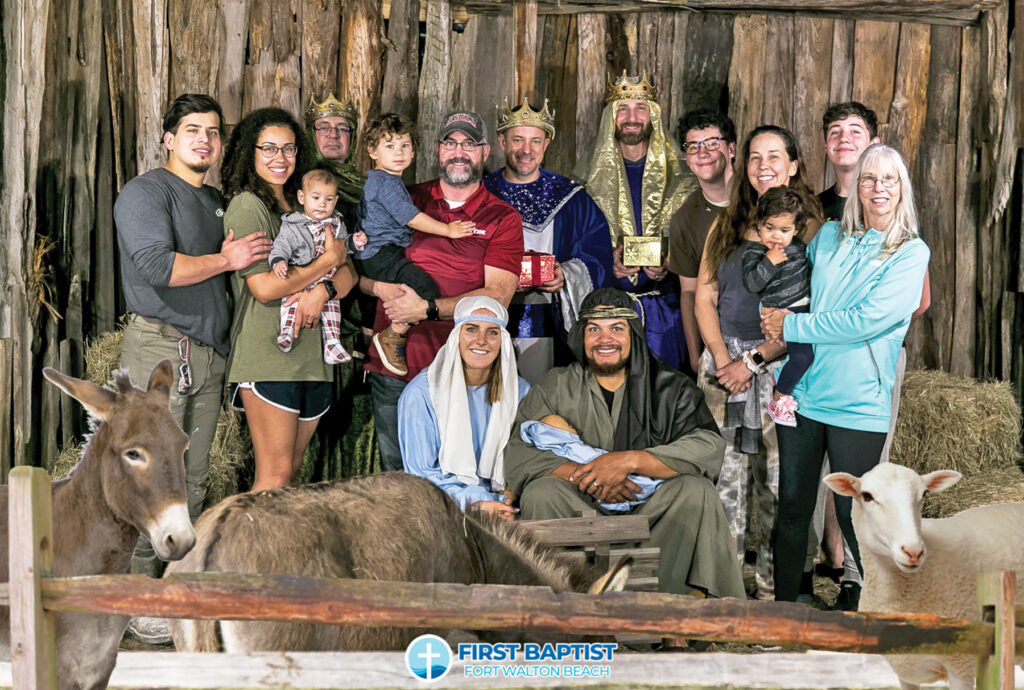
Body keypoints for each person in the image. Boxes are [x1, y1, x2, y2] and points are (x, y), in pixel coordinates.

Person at [114, 93, 272, 641]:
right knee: (150, 481)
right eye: (191, 130)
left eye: (211, 131)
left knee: (195, 482)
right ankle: (134, 600)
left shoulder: (216, 203)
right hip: (159, 351)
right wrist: (228, 259)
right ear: (168, 138)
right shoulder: (146, 192)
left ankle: (170, 593)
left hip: (206, 355)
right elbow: (157, 267)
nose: (203, 139)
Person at [763, 144, 930, 605]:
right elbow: (797, 290)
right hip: (805, 391)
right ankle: (785, 609)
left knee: (854, 509)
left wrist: (791, 324)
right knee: (794, 507)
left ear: (902, 189)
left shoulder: (911, 252)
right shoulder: (830, 236)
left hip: (858, 401)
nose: (879, 189)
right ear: (856, 186)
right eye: (869, 179)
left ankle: (878, 606)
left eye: (889, 180)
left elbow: (866, 320)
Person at [505, 287, 745, 601]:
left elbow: (707, 445)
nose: (605, 339)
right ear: (581, 336)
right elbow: (518, 450)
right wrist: (589, 475)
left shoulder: (672, 388)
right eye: (594, 329)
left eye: (616, 328)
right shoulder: (557, 384)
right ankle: (563, 607)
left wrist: (630, 462)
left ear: (633, 334)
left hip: (651, 508)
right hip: (582, 504)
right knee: (541, 492)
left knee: (696, 491)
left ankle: (674, 608)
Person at [694, 124, 822, 600]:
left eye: (774, 156)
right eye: (753, 157)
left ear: (793, 166)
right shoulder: (727, 222)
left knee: (776, 480)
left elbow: (813, 312)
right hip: (722, 368)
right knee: (723, 481)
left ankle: (775, 592)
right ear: (742, 166)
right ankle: (724, 592)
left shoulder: (813, 229)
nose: (763, 165)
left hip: (780, 365)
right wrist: (725, 361)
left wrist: (752, 362)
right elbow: (705, 296)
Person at [816, 102, 932, 610]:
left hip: (867, 359)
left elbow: (913, 302)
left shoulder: (905, 238)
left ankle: (860, 579)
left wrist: (867, 322)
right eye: (835, 132)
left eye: (855, 132)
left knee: (861, 476)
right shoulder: (820, 212)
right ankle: (835, 563)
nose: (844, 139)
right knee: (820, 476)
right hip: (817, 361)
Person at [362, 110, 523, 473]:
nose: (459, 152)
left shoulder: (502, 217)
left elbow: (497, 295)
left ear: (484, 153)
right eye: (451, 143)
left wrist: (427, 309)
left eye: (469, 144)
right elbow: (361, 266)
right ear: (437, 150)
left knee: (461, 475)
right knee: (400, 480)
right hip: (398, 367)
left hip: (467, 371)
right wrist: (379, 288)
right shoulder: (404, 198)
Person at [221, 107, 357, 492]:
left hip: (312, 358)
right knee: (274, 476)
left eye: (289, 149)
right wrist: (328, 261)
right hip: (269, 357)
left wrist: (323, 290)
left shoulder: (309, 206)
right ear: (251, 152)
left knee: (289, 473)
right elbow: (264, 287)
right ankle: (250, 554)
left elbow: (350, 273)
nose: (280, 159)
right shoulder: (249, 206)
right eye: (269, 149)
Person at [483, 97, 614, 383]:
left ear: (547, 144)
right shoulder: (481, 194)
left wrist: (564, 275)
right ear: (502, 141)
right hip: (486, 314)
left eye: (535, 141)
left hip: (548, 317)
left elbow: (598, 255)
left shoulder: (571, 198)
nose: (526, 150)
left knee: (539, 399)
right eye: (518, 140)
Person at [574, 72, 695, 370]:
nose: (632, 117)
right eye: (623, 109)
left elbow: (698, 243)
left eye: (640, 108)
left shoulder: (683, 177)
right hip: (607, 316)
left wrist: (670, 261)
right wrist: (606, 261)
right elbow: (573, 246)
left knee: (663, 400)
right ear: (611, 118)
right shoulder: (584, 180)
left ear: (652, 115)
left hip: (665, 313)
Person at [355, 113, 476, 376]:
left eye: (405, 146)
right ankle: (393, 335)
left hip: (378, 251)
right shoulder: (385, 184)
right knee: (424, 287)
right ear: (372, 151)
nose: (399, 152)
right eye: (390, 146)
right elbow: (410, 217)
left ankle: (373, 334)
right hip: (382, 254)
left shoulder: (384, 180)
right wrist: (448, 230)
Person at [398, 296, 528, 519]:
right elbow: (420, 476)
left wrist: (507, 496)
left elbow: (528, 455)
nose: (481, 340)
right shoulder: (420, 395)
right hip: (445, 508)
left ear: (503, 341)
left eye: (493, 332)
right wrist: (477, 503)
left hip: (507, 503)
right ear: (456, 337)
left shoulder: (521, 391)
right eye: (471, 329)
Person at [667, 110, 737, 376]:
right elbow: (689, 292)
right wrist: (695, 356)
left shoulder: (758, 198)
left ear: (731, 149)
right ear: (686, 158)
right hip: (718, 345)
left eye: (711, 143)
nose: (702, 153)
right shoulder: (685, 218)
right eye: (693, 146)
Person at [270, 168, 365, 362]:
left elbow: (343, 247)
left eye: (329, 200)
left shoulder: (337, 223)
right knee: (290, 303)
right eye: (316, 198)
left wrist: (355, 243)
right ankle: (286, 332)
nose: (322, 204)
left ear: (335, 201)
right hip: (301, 275)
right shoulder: (294, 225)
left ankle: (332, 344)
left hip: (328, 278)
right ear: (302, 197)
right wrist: (278, 260)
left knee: (332, 308)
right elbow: (282, 245)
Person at [741, 187, 813, 427]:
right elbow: (752, 283)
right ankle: (780, 397)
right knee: (803, 357)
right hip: (779, 313)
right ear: (759, 225)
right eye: (769, 228)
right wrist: (768, 262)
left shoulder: (799, 248)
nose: (776, 236)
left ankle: (783, 382)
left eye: (784, 230)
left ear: (795, 230)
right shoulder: (755, 251)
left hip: (803, 310)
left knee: (806, 356)